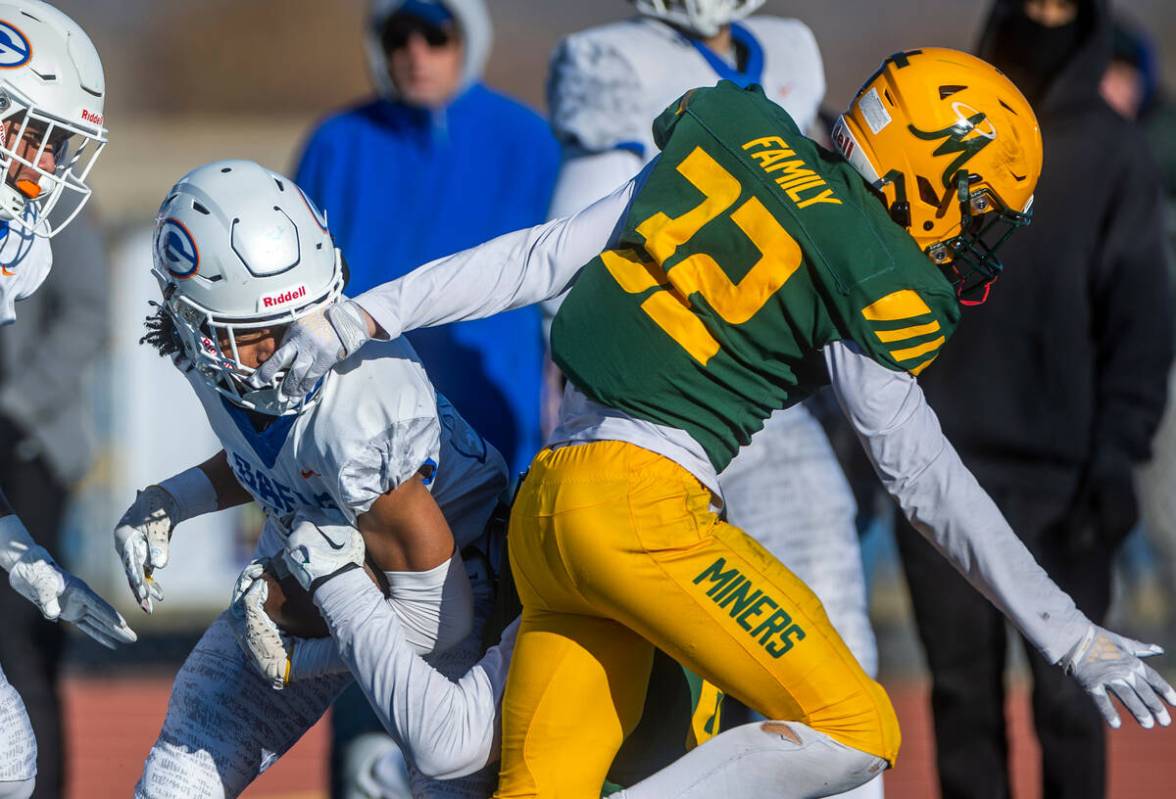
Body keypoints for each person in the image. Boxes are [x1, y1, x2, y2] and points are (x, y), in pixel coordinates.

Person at [257, 47, 1176, 797]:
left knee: (540, 788)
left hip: (551, 512)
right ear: (929, 172)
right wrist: (1069, 634)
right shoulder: (864, 268)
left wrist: (363, 313)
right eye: (975, 207)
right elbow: (925, 479)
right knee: (856, 725)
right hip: (644, 516)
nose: (973, 235)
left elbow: (537, 259)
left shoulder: (731, 143)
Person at [546, 9, 879, 794]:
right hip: (657, 409)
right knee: (662, 688)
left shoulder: (793, 49)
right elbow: (563, 269)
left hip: (774, 414)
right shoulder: (617, 65)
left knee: (835, 649)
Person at [122, 160, 512, 799]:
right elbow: (273, 456)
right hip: (320, 550)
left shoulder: (360, 419)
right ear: (190, 318)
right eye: (255, 332)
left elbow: (439, 622)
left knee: (449, 780)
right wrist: (174, 500)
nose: (287, 352)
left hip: (453, 587)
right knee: (184, 761)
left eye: (305, 319)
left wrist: (300, 655)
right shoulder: (206, 352)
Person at [891, 3, 1173, 798]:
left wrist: (1117, 458)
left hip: (1066, 481)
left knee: (1072, 701)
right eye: (1032, 5)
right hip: (939, 466)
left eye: (1061, 7)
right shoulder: (945, 132)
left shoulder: (1115, 153)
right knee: (962, 702)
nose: (1044, 19)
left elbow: (1141, 325)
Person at [294, 0, 559, 478]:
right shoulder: (335, 144)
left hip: (498, 417)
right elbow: (295, 290)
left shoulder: (531, 141)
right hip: (362, 425)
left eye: (435, 36)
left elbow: (568, 282)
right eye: (399, 37)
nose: (416, 54)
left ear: (466, 40)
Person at [0, 4, 136, 799]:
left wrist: (16, 548)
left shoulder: (22, 239)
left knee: (11, 753)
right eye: (41, 135)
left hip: (25, 448)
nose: (52, 165)